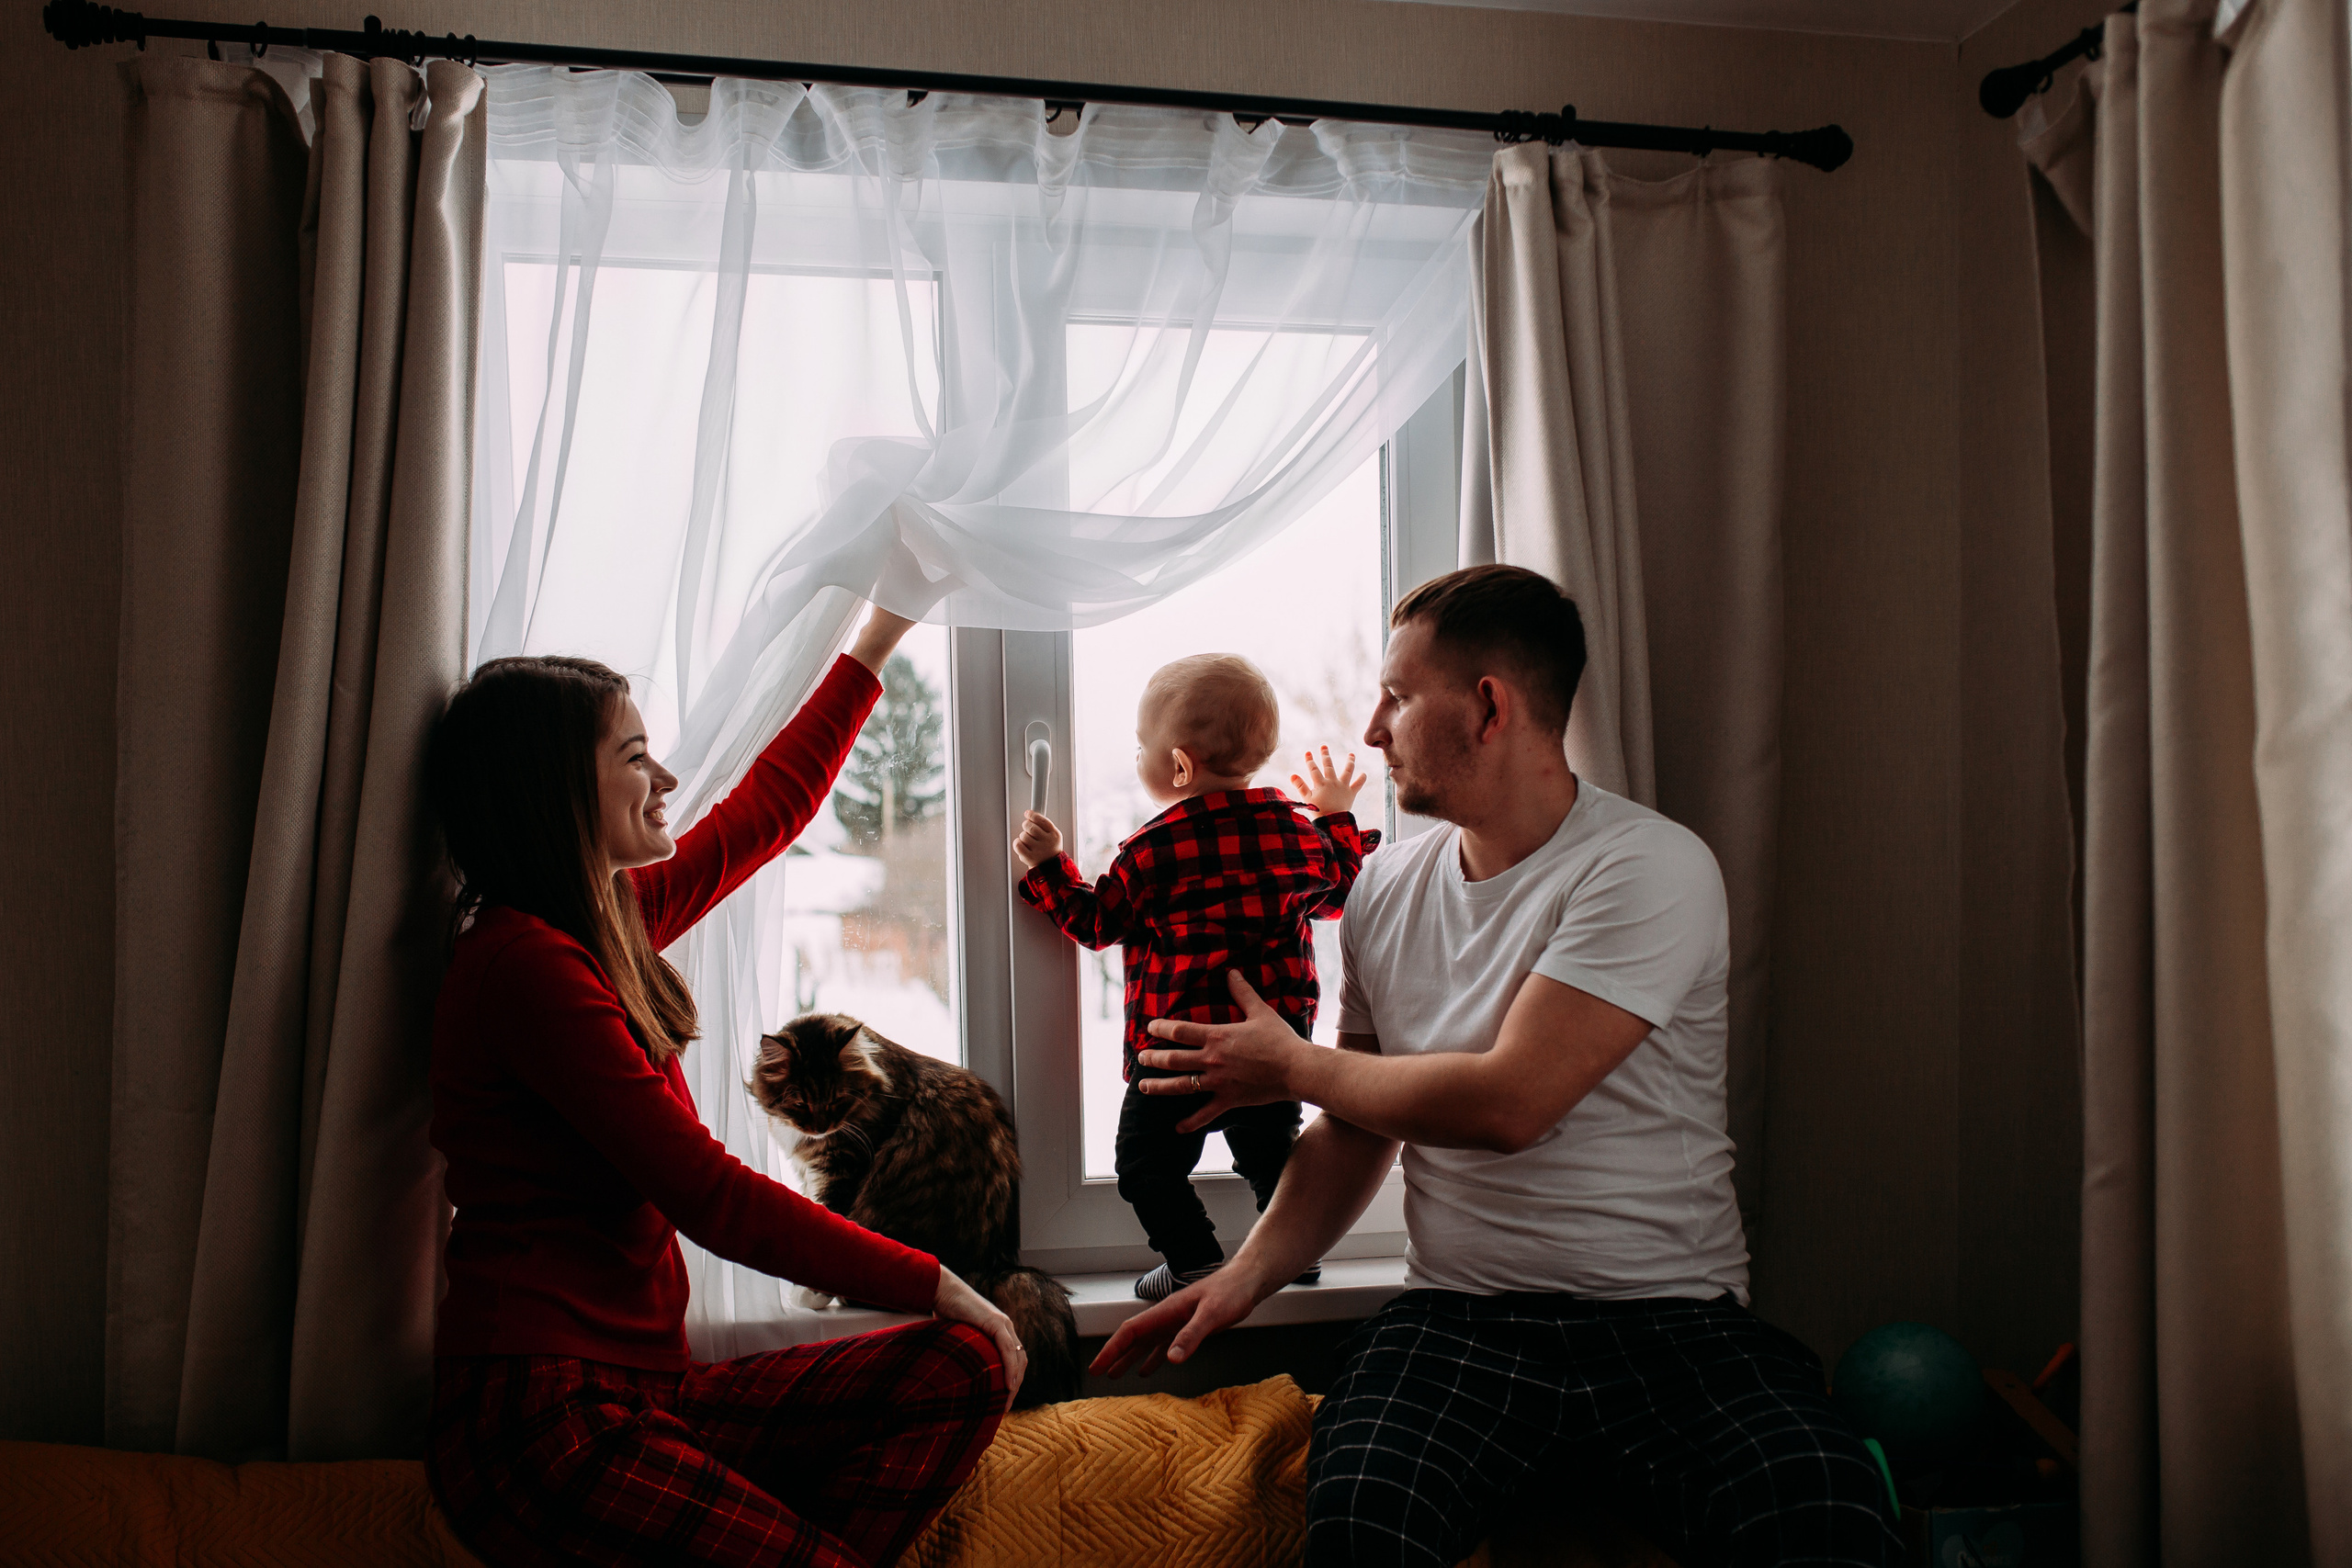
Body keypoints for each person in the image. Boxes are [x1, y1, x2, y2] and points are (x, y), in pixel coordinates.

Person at [1092, 566, 1899, 1568]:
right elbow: (1358, 1126)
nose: (1373, 728)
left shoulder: (1647, 867)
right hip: (1457, 1324)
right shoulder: (1385, 888)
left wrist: (1293, 1069)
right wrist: (1242, 1278)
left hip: (1671, 1324)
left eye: (1395, 693)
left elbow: (1511, 1101)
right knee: (1361, 1523)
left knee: (1827, 1514)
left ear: (1487, 707)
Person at [423, 604, 1024, 1568]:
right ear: (555, 789)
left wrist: (877, 636)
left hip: (649, 1393)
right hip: (540, 1417)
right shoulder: (522, 965)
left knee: (962, 1366)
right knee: (957, 1332)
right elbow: (709, 1195)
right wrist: (932, 1276)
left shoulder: (603, 927)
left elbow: (763, 814)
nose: (663, 780)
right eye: (634, 758)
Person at [1012, 653, 1379, 1302]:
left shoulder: (1151, 853)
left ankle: (1194, 1261)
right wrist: (1333, 815)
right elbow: (1341, 890)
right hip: (1273, 1050)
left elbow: (1096, 924)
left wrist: (1048, 866)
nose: (1137, 759)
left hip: (1177, 1047)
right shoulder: (1297, 837)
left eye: (1140, 748)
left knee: (1146, 1164)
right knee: (1271, 1156)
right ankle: (1290, 1253)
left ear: (1179, 766)